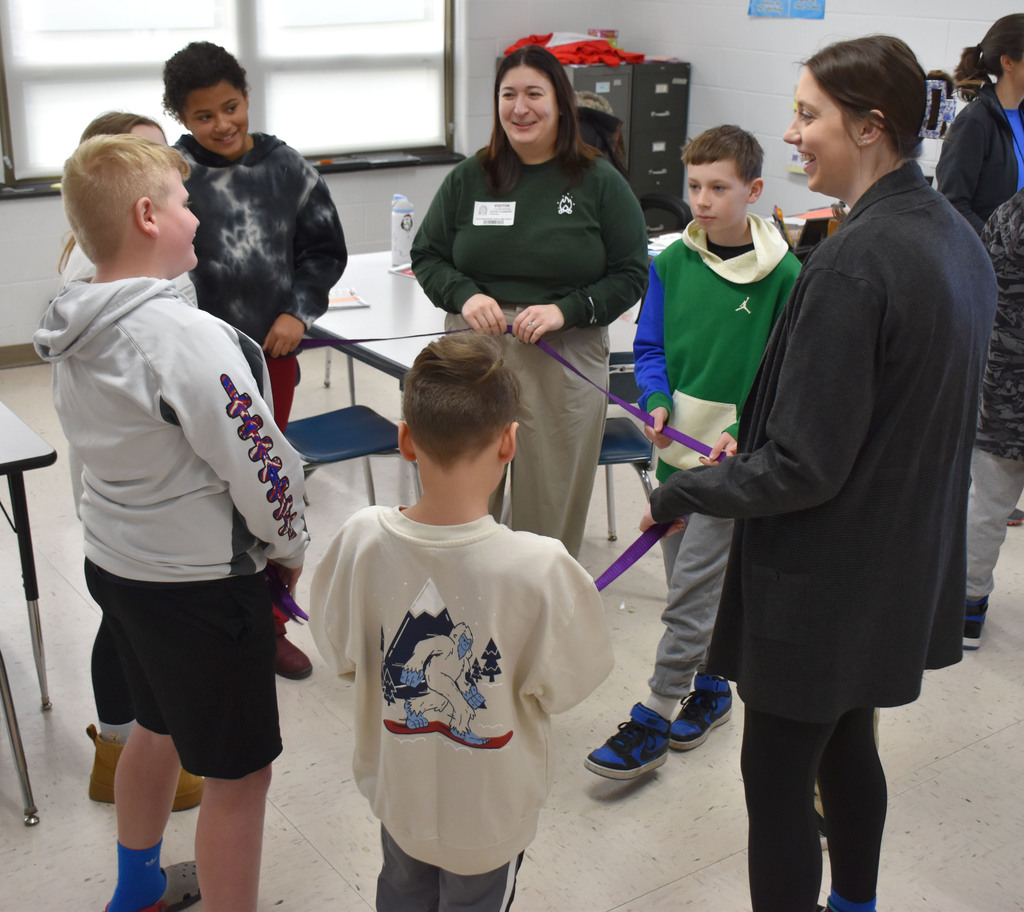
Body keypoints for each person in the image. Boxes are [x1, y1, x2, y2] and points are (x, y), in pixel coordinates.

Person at [640, 36, 996, 912]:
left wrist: (683, 489)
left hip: (828, 575)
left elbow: (804, 468)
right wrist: (765, 433)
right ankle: (856, 903)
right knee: (848, 745)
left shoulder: (851, 264)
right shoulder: (952, 234)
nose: (791, 133)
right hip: (899, 559)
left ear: (871, 128)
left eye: (808, 114)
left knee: (776, 772)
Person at [34, 134, 309, 912]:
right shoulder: (184, 340)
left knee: (153, 729)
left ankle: (138, 890)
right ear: (149, 214)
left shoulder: (74, 317)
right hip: (197, 591)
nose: (198, 215)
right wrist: (288, 547)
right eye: (186, 202)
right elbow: (262, 466)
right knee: (239, 776)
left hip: (120, 566)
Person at [309, 332, 613, 911]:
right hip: (489, 815)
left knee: (400, 892)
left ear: (404, 440)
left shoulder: (360, 539)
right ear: (509, 443)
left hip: (400, 793)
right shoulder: (542, 566)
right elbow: (572, 683)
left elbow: (340, 654)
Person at [584, 125, 800, 780]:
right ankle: (710, 689)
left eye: (719, 188)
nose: (702, 201)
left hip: (733, 464)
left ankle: (654, 709)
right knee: (689, 579)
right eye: (695, 187)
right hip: (674, 455)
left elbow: (787, 372)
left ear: (754, 190)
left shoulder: (785, 274)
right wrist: (654, 401)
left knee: (694, 585)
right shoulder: (672, 262)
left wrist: (751, 434)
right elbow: (649, 348)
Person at [411, 43, 648, 560]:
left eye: (534, 94)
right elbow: (427, 255)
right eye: (508, 94)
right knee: (463, 501)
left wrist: (569, 308)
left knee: (549, 509)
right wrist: (464, 294)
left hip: (562, 357)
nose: (521, 108)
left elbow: (632, 275)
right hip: (473, 354)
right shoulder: (471, 177)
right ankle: (463, 615)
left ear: (560, 103)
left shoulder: (599, 182)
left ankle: (537, 614)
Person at [163, 40, 347, 678]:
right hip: (192, 366)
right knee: (203, 492)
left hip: (271, 360)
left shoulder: (287, 167)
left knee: (268, 489)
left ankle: (269, 622)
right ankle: (208, 620)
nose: (222, 124)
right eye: (204, 116)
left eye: (231, 106)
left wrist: (299, 311)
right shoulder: (171, 174)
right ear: (182, 119)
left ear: (246, 94)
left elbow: (324, 251)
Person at [56, 112, 203, 819]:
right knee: (126, 633)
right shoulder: (95, 279)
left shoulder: (146, 276)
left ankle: (127, 759)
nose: (170, 168)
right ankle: (122, 758)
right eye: (150, 160)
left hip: (133, 504)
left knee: (127, 629)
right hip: (135, 507)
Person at [963, 186, 1024, 648]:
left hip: (997, 389)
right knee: (986, 506)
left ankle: (968, 606)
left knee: (986, 507)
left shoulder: (1006, 212)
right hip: (1004, 391)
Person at [936, 14, 1024, 235]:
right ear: (1008, 62)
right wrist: (999, 249)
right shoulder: (975, 121)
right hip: (989, 262)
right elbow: (952, 205)